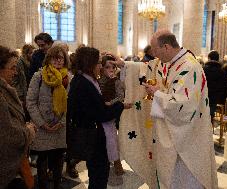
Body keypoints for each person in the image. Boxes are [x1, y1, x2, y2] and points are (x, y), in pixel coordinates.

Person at [143, 30, 218, 189]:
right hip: (176, 132)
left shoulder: (189, 66)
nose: (155, 55)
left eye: (155, 50)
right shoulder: (174, 62)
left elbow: (182, 105)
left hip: (187, 136)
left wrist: (156, 93)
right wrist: (125, 65)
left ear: (166, 47)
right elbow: (150, 68)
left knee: (186, 180)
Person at [67, 47, 130, 189]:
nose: (100, 66)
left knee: (97, 174)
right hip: (93, 137)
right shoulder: (84, 84)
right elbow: (101, 114)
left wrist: (105, 105)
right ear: (89, 64)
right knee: (99, 176)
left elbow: (95, 108)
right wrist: (120, 106)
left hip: (93, 134)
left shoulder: (84, 80)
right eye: (98, 63)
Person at [26, 46, 71, 189]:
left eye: (61, 57)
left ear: (65, 60)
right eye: (55, 57)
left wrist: (62, 122)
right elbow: (31, 102)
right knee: (42, 160)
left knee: (58, 159)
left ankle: (57, 184)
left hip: (59, 127)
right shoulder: (38, 76)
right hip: (42, 127)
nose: (58, 60)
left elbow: (70, 103)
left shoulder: (67, 78)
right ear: (49, 59)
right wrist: (41, 123)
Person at [0, 45, 36, 189]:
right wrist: (29, 131)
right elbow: (8, 135)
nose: (15, 72)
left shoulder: (5, 89)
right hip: (5, 168)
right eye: (12, 68)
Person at [98, 55, 132, 176]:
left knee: (112, 138)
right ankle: (104, 161)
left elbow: (120, 96)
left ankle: (117, 162)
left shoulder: (116, 81)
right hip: (99, 114)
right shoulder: (98, 80)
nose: (111, 69)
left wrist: (110, 103)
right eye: (107, 67)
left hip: (111, 113)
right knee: (101, 140)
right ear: (101, 68)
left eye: (113, 67)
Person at [203, 50, 225, 118]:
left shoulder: (203, 69)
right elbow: (223, 84)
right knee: (211, 115)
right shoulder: (221, 70)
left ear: (209, 58)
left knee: (203, 116)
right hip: (215, 97)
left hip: (204, 95)